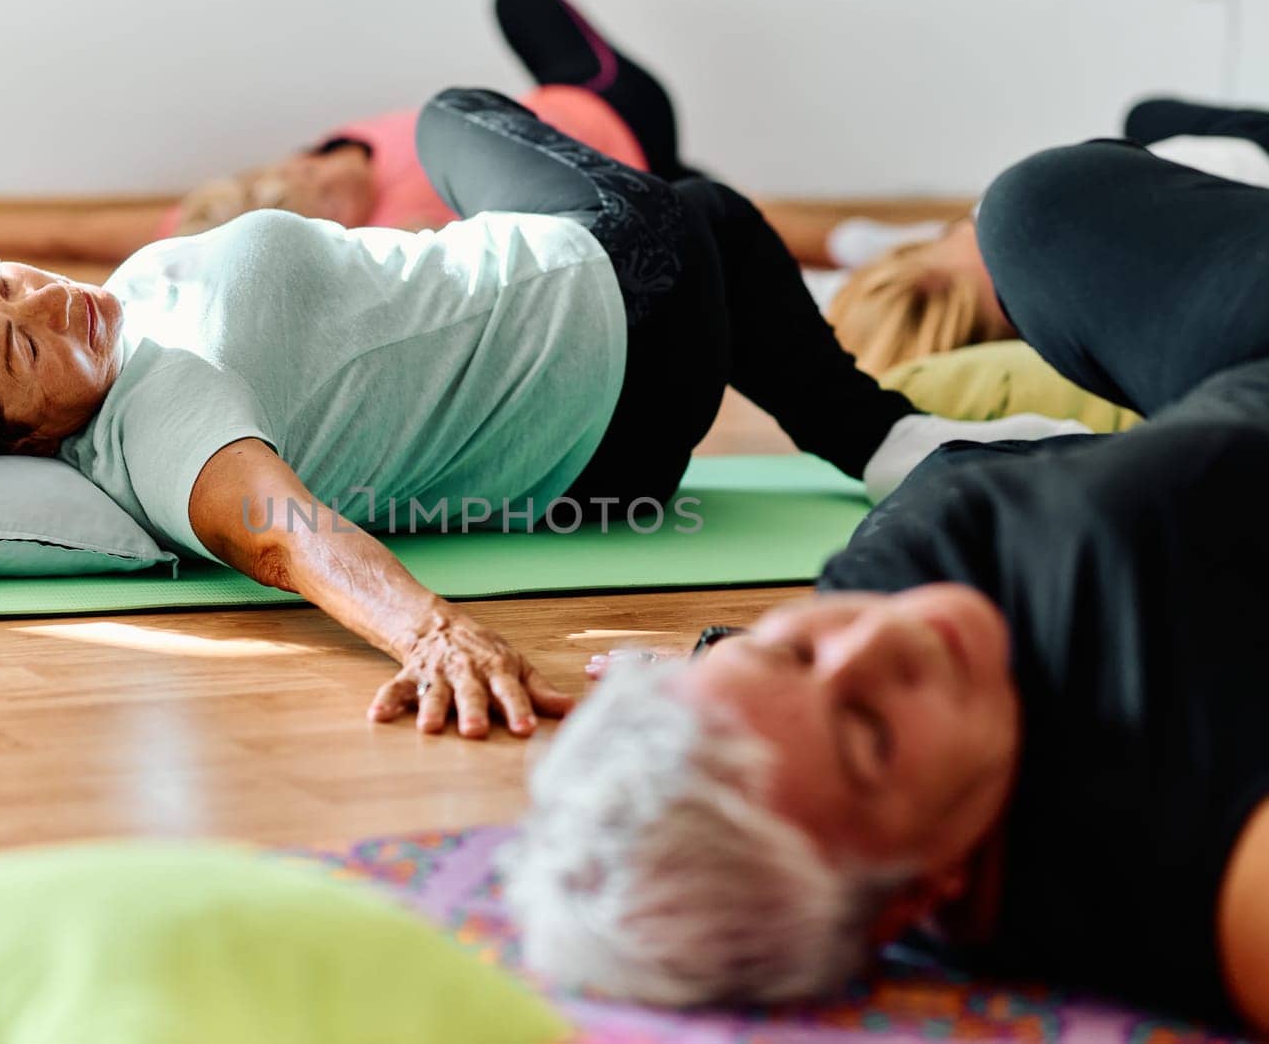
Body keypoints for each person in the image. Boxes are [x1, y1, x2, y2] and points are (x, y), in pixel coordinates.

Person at [0, 82, 1082, 739]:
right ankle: (885, 432)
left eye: (8, 288)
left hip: (620, 416)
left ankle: (888, 441)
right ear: (25, 435)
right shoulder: (158, 420)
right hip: (620, 290)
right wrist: (436, 631)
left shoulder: (136, 310)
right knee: (463, 116)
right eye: (26, 356)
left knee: (721, 219)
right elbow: (283, 530)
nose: (56, 311)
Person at [501, 140, 1269, 1031]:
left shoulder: (902, 616)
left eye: (794, 651)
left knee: (1034, 212)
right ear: (913, 899)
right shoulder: (1188, 859)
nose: (876, 640)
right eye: (868, 735)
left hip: (1193, 398)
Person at [0, 0, 686, 264]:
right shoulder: (406, 223)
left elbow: (68, 233)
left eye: (301, 166)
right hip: (614, 109)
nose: (317, 167)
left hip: (599, 142)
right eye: (319, 187)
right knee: (697, 213)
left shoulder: (251, 191)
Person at [811, 97, 1269, 376]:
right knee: (1144, 115)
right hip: (1241, 163)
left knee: (1142, 117)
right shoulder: (1016, 228)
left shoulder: (1007, 309)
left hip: (1217, 187)